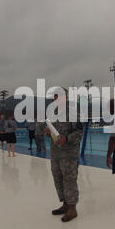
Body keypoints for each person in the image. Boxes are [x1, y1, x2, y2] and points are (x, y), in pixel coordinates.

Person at [46, 89, 83, 222]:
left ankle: (72, 208)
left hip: (68, 154)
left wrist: (66, 139)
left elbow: (79, 133)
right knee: (58, 178)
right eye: (54, 97)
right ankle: (65, 204)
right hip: (55, 153)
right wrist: (47, 130)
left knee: (69, 179)